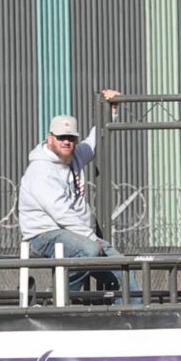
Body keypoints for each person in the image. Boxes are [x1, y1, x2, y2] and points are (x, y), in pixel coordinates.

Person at [17, 92, 121, 300]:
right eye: (61, 137)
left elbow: (95, 141)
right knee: (90, 251)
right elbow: (61, 213)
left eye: (71, 138)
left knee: (123, 268)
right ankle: (59, 296)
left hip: (76, 232)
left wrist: (111, 110)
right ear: (50, 138)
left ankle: (134, 315)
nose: (66, 142)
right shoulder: (41, 171)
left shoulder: (73, 156)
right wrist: (92, 237)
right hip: (46, 233)